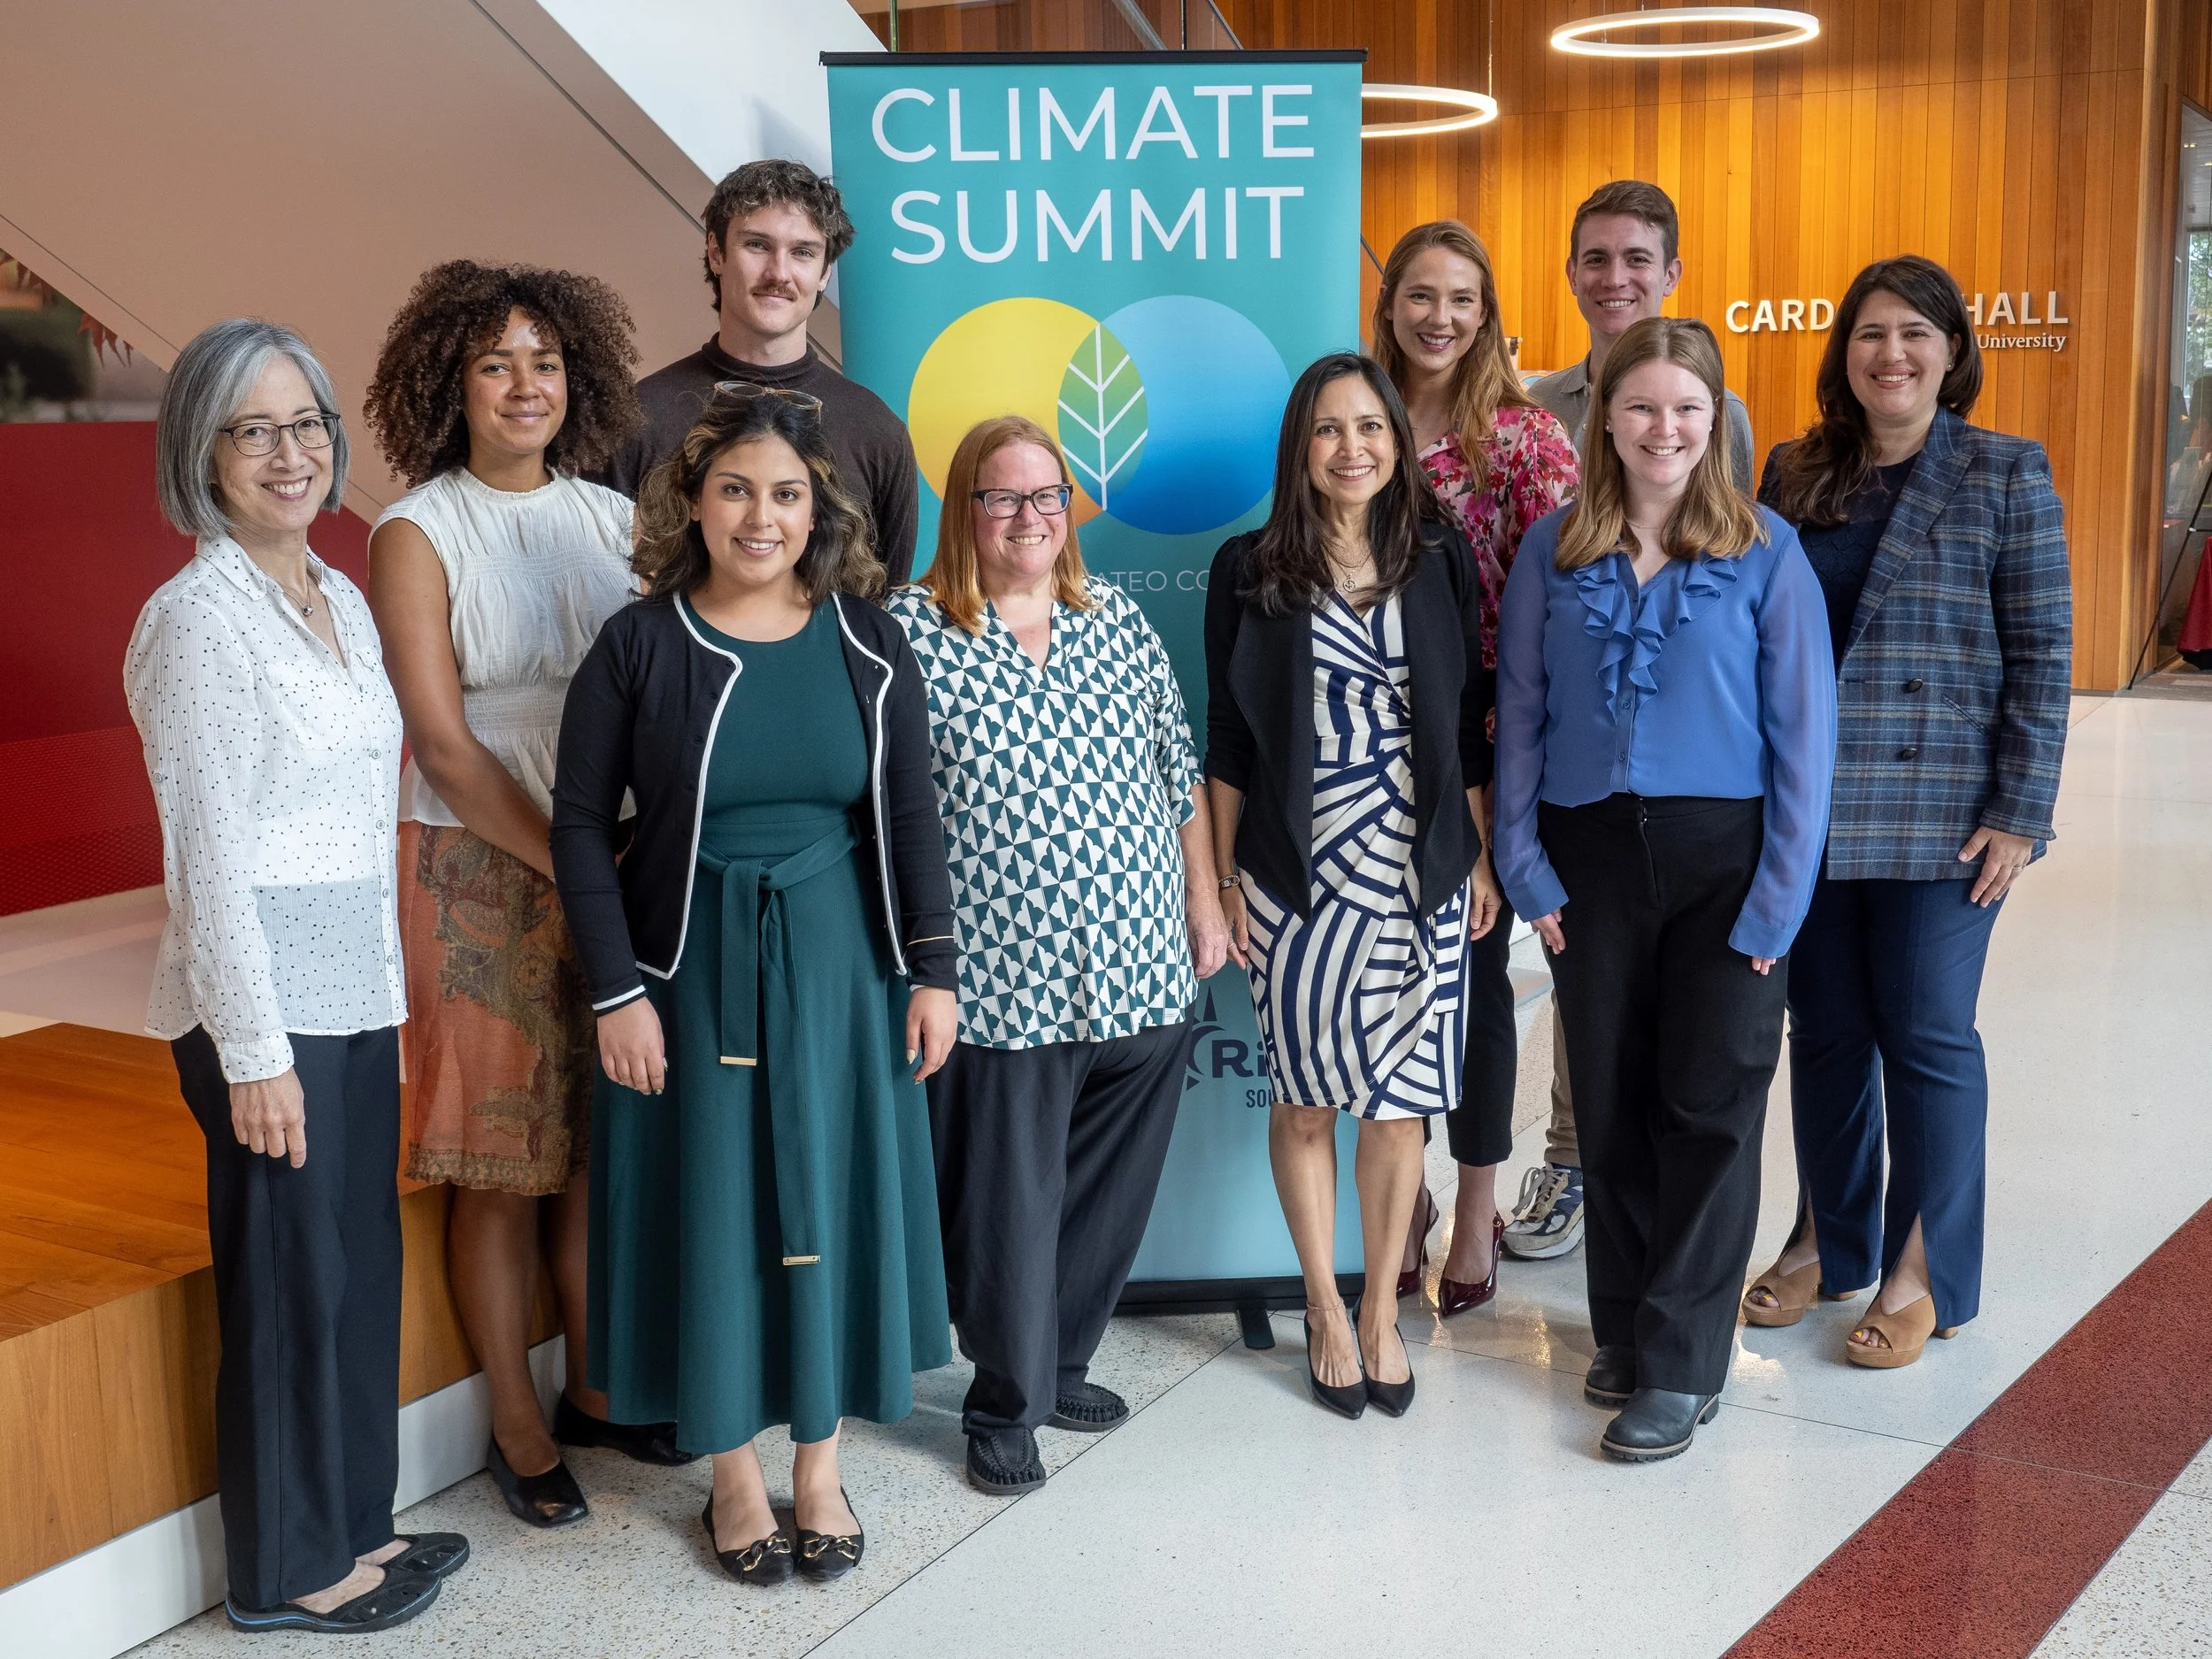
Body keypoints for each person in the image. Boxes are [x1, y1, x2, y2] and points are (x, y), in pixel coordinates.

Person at [551, 385, 956, 1585]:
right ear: (694, 499)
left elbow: (911, 810)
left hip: (842, 961)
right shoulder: (640, 642)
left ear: (819, 504)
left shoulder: (869, 638)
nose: (760, 514)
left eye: (786, 492)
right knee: (716, 1204)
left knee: (827, 1198)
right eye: (735, 489)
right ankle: (734, 1473)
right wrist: (617, 989)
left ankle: (819, 1465)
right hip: (690, 966)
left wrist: (933, 969)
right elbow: (581, 826)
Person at [127, 319, 466, 1633]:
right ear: (200, 454)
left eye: (308, 423)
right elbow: (206, 854)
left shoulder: (336, 595)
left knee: (350, 1269)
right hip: (259, 1003)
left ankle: (357, 1527)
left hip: (351, 990)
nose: (291, 451)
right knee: (286, 1286)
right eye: (254, 428)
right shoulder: (197, 620)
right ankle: (289, 1568)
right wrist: (254, 1049)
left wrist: (382, 1001)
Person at [362, 260, 690, 1531]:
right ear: (451, 381)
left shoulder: (617, 520)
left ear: (581, 378)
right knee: (499, 1160)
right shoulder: (416, 528)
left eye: (545, 361)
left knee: (597, 1149)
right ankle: (514, 1412)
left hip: (608, 853)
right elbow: (441, 741)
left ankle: (599, 1381)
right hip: (475, 861)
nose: (523, 384)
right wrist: (577, 861)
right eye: (495, 362)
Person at [1493, 316, 1834, 1463]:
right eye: (1642, 406)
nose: (1665, 427)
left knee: (1709, 1104)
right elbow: (1523, 717)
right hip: (1586, 860)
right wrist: (1523, 863)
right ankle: (1628, 1324)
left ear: (1717, 420)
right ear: (1608, 420)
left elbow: (1805, 740)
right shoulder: (1554, 548)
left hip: (1727, 860)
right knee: (1614, 1103)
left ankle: (1684, 1361)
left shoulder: (1768, 552)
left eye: (1687, 407)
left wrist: (1779, 901)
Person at [888, 417, 1230, 1494]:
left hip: (1140, 961)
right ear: (966, 512)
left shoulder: (1115, 617)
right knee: (1008, 1203)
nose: (1028, 518)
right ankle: (1003, 1401)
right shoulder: (910, 627)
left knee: (1107, 1191)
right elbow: (891, 812)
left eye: (1046, 498)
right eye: (1002, 498)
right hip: (1002, 980)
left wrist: (1203, 901)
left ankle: (1059, 1359)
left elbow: (1176, 770)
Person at [1744, 257, 2071, 1367]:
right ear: (1844, 353)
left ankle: (1922, 1268)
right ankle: (1826, 1244)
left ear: (1950, 350)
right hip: (1807, 810)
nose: (1891, 354)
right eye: (1871, 334)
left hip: (1945, 818)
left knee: (1926, 1033)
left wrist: (2021, 812)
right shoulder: (1794, 470)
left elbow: (2041, 656)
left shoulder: (2002, 472)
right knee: (1826, 1033)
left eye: (1914, 334)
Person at [1205, 353, 1502, 1422]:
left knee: (1399, 1106)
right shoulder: (1248, 566)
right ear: (1301, 447)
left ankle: (1381, 1309)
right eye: (1328, 430)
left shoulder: (1437, 554)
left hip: (1414, 867)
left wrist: (1473, 853)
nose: (1351, 449)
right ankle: (1323, 1311)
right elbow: (1227, 737)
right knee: (1305, 1098)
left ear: (1396, 440)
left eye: (1370, 427)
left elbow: (1467, 715)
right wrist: (1230, 878)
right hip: (1296, 873)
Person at [1504, 180, 1762, 1265]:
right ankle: (1573, 1153)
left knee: (1681, 1007)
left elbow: (1727, 577)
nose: (1615, 277)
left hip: (1683, 759)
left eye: (1636, 258)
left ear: (1671, 272)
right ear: (1570, 273)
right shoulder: (1529, 403)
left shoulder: (1713, 407)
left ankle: (1639, 1173)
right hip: (1552, 717)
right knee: (1588, 973)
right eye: (1595, 258)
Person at [1373, 219, 1579, 1313]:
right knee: (1384, 969)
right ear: (1390, 305)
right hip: (1365, 741)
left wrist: (1515, 789)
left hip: (1489, 739)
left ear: (1487, 312)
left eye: (1460, 297)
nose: (1438, 317)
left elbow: (1560, 609)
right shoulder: (1355, 423)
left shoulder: (1527, 438)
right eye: (1419, 295)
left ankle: (1475, 1201)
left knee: (1478, 977)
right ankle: (1396, 1197)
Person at [597, 158, 922, 582]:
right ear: (716, 252)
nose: (779, 273)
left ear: (824, 272)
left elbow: (884, 606)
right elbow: (602, 591)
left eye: (803, 252)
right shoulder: (636, 416)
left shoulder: (878, 431)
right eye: (757, 245)